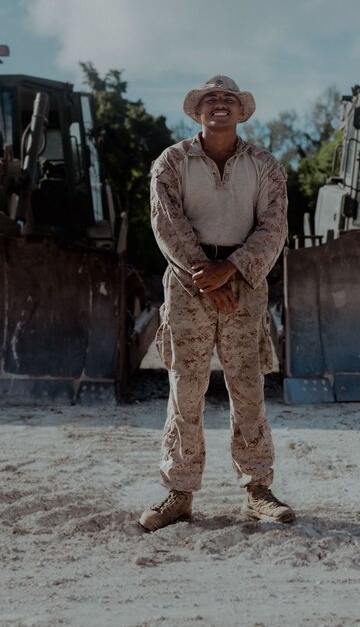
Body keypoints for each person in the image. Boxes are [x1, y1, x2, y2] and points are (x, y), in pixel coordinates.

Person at [139, 74, 295, 532]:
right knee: (185, 388)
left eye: (228, 99)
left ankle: (257, 489)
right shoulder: (171, 162)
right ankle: (179, 492)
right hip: (188, 284)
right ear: (197, 112)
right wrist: (204, 276)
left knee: (247, 387)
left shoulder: (266, 166)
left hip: (245, 281)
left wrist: (233, 268)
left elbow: (273, 226)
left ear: (241, 111)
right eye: (211, 100)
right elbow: (166, 224)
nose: (220, 105)